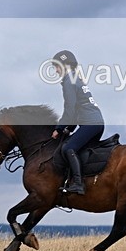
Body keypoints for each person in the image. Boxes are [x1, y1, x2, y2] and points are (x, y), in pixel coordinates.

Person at [50, 50, 104, 194]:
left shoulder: (69, 81)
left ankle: (78, 184)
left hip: (90, 124)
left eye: (56, 66)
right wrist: (70, 128)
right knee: (79, 149)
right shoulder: (76, 78)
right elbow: (77, 109)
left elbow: (70, 109)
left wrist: (59, 128)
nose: (55, 71)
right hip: (96, 123)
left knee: (68, 148)